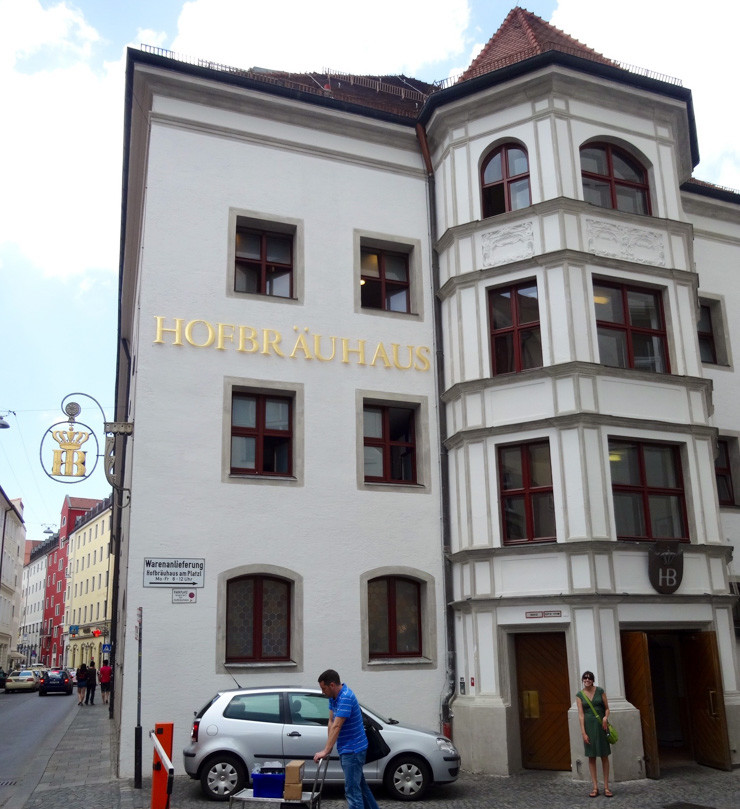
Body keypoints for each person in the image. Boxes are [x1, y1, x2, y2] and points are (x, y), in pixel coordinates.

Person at [313, 669, 379, 809]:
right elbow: (331, 721)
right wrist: (328, 747)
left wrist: (326, 750)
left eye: (324, 688)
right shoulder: (333, 697)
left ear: (332, 685)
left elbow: (337, 725)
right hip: (346, 749)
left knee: (352, 792)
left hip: (353, 750)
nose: (323, 692)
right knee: (361, 787)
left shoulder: (346, 697)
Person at [576, 670, 612, 798]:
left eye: (589, 678)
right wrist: (583, 732)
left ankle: (606, 787)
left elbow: (607, 708)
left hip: (601, 727)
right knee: (591, 756)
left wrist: (605, 718)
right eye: (585, 678)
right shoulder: (580, 695)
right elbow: (580, 714)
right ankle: (595, 787)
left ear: (593, 680)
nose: (587, 680)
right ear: (582, 680)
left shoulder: (600, 691)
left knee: (604, 755)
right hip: (589, 727)